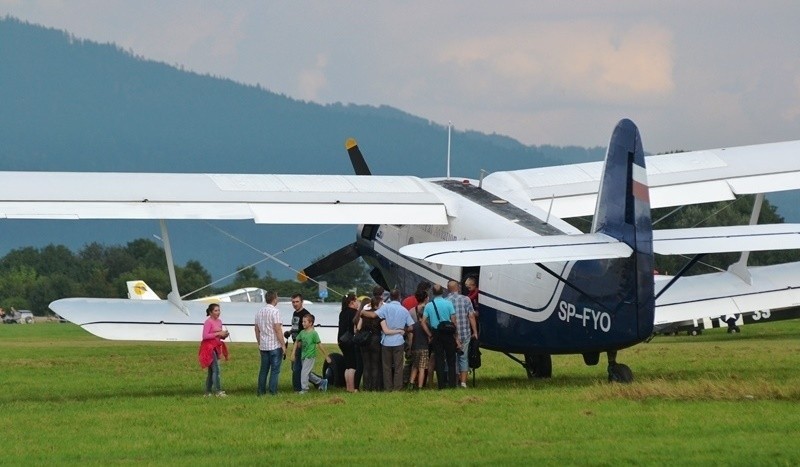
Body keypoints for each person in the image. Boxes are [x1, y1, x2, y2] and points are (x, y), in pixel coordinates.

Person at [421, 284, 460, 389]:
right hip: (448, 333)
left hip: (436, 333)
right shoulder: (448, 303)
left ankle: (441, 385)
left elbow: (423, 322)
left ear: (432, 293)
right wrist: (455, 335)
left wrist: (429, 334)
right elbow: (453, 320)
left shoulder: (429, 305)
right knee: (451, 359)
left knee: (439, 359)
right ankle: (452, 384)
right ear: (443, 292)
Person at [376, 289, 414, 391]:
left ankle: (388, 387)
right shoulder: (404, 310)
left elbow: (375, 315)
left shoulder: (384, 308)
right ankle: (397, 387)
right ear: (399, 297)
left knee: (386, 367)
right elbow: (411, 327)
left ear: (390, 297)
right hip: (398, 341)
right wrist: (403, 330)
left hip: (386, 341)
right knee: (398, 366)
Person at [447, 279, 478, 388]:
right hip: (465, 333)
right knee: (463, 357)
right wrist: (475, 332)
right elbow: (471, 316)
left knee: (453, 358)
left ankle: (454, 382)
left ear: (448, 289)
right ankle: (463, 383)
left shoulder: (446, 301)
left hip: (451, 335)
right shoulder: (466, 299)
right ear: (458, 288)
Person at [290, 314, 331, 393]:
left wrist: (327, 356)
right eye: (302, 322)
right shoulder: (302, 333)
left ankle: (304, 389)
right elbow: (296, 342)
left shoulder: (314, 334)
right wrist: (293, 353)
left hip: (310, 356)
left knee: (304, 373)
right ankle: (321, 381)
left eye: (305, 322)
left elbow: (320, 345)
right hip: (303, 356)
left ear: (311, 323)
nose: (303, 323)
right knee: (307, 373)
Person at [255, 291, 286, 396]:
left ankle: (261, 391)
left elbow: (257, 329)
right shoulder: (275, 312)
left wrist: (259, 342)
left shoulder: (259, 312)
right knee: (275, 370)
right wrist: (283, 344)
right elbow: (277, 329)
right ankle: (273, 391)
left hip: (264, 346)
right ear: (274, 299)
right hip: (274, 345)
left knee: (263, 370)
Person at [198, 303, 229, 397]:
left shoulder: (219, 321)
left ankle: (207, 392)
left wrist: (223, 335)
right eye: (215, 310)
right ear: (210, 312)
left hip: (216, 347)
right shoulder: (208, 322)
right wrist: (218, 333)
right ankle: (218, 391)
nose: (218, 312)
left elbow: (219, 335)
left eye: (219, 310)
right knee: (216, 370)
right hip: (208, 348)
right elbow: (205, 336)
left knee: (211, 371)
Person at [408, 290, 430, 390]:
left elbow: (409, 331)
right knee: (422, 368)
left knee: (414, 366)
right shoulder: (427, 325)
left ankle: (411, 384)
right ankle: (421, 386)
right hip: (424, 347)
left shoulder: (411, 311)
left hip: (415, 346)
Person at [289, 293, 310, 393]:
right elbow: (295, 327)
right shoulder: (295, 313)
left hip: (301, 344)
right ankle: (320, 381)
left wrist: (302, 341)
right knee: (297, 366)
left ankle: (298, 388)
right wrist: (290, 332)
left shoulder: (305, 314)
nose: (295, 304)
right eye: (293, 302)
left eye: (297, 302)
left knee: (297, 367)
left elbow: (308, 329)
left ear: (302, 302)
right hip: (295, 342)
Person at [338, 293, 359, 392]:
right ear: (352, 302)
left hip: (341, 340)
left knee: (347, 365)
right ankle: (351, 388)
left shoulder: (342, 313)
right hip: (350, 340)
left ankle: (347, 387)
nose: (358, 302)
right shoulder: (354, 312)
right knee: (353, 365)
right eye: (356, 300)